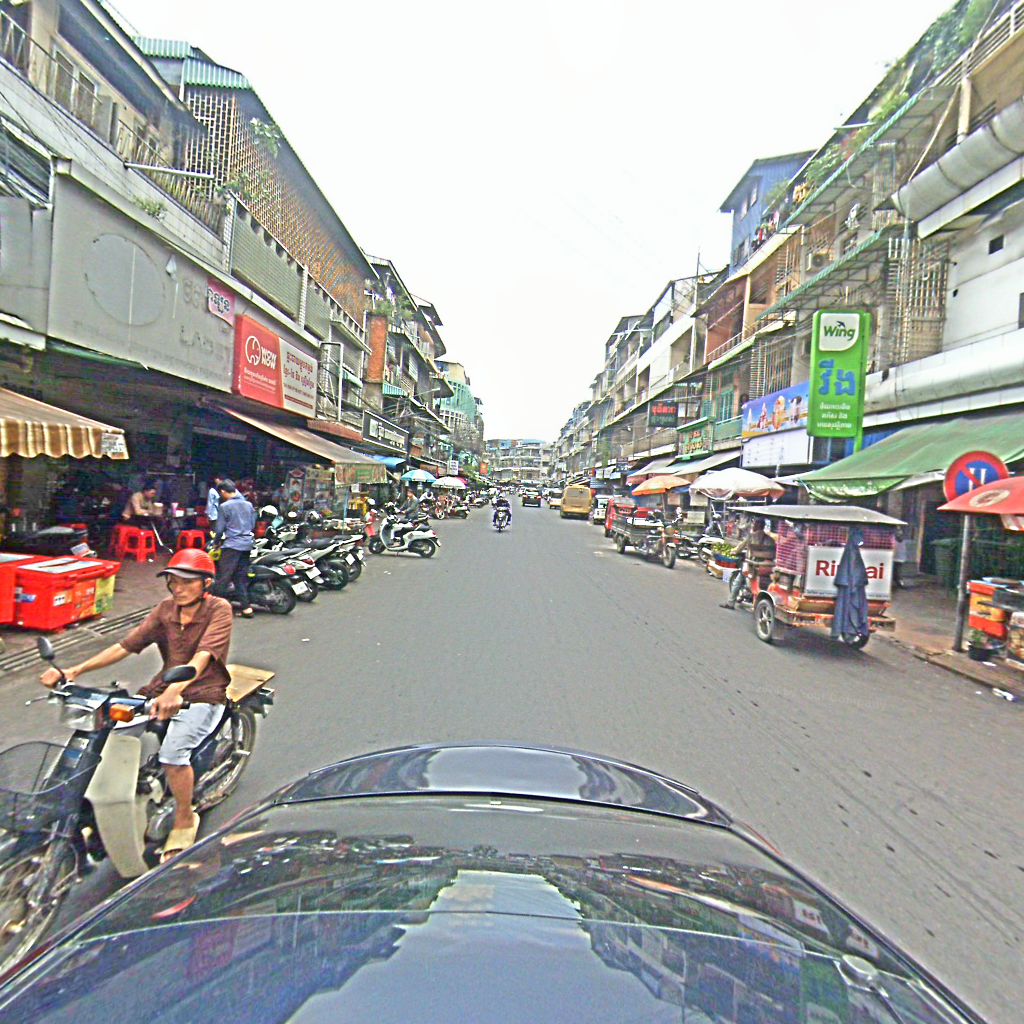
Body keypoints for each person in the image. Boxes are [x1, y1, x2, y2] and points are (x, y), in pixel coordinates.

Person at [38, 548, 232, 861]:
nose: (178, 588)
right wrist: (75, 670)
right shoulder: (166, 610)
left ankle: (184, 816)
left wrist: (175, 691)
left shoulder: (219, 610)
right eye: (173, 581)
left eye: (187, 582)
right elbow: (126, 645)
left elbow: (204, 656)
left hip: (203, 692)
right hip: (162, 689)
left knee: (173, 755)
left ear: (206, 583)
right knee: (112, 736)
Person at [211, 479, 257, 618]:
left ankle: (215, 609)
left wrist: (216, 543)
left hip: (232, 545)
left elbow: (219, 529)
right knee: (239, 577)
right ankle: (246, 608)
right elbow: (252, 524)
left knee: (223, 578)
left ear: (223, 492)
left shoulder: (225, 506)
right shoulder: (248, 505)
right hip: (247, 545)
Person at [720, 518, 777, 610]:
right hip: (768, 566)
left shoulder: (751, 537)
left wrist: (733, 551)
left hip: (753, 566)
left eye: (754, 524)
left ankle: (730, 603)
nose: (753, 526)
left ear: (757, 525)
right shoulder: (770, 539)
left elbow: (739, 548)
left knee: (738, 581)